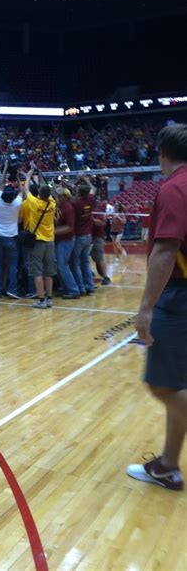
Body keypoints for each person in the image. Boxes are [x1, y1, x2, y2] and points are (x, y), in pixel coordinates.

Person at [129, 123, 187, 491]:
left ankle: (168, 464)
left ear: (162, 154)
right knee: (176, 382)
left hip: (180, 296)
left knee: (163, 386)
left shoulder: (174, 187)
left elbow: (166, 250)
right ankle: (168, 465)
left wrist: (146, 307)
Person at [21, 171, 57, 309]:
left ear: (39, 195)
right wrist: (40, 176)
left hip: (37, 241)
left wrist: (28, 175)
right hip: (50, 241)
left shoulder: (35, 203)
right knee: (49, 272)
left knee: (37, 272)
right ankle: (49, 298)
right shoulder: (52, 204)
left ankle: (41, 300)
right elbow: (47, 188)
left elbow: (25, 189)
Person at [0, 159, 23, 299]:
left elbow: (1, 183)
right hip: (11, 238)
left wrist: (5, 168)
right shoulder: (16, 203)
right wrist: (17, 176)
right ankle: (12, 290)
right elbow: (22, 190)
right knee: (12, 265)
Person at [72, 177, 96, 296]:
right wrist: (87, 180)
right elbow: (93, 189)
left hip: (79, 235)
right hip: (88, 235)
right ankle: (90, 286)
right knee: (85, 262)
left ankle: (81, 287)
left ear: (79, 192)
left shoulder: (77, 203)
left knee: (76, 262)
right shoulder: (90, 199)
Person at [54, 188, 80, 299]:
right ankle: (65, 287)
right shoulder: (61, 206)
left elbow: (70, 227)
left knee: (62, 265)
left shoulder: (69, 209)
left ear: (65, 197)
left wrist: (53, 231)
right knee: (59, 266)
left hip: (67, 240)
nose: (57, 197)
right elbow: (60, 221)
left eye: (59, 196)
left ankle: (73, 290)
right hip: (61, 239)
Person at [91, 217, 111, 285]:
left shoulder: (98, 211)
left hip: (97, 237)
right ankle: (89, 273)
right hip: (88, 236)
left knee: (99, 258)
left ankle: (105, 277)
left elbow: (102, 223)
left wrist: (91, 219)